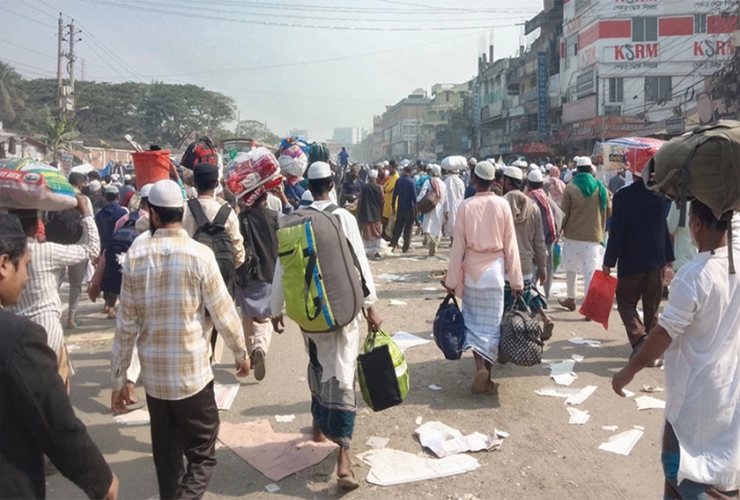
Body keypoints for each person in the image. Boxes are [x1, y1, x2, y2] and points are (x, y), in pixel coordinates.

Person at [111, 180, 250, 500]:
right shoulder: (199, 254)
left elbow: (125, 324)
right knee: (202, 454)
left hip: (156, 382)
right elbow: (223, 311)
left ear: (154, 215)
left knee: (167, 458)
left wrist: (120, 379)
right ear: (181, 212)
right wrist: (241, 353)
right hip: (193, 377)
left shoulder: (136, 253)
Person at [612, 200, 740, 499]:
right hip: (728, 389)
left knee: (683, 474)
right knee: (721, 471)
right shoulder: (734, 264)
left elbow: (663, 334)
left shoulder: (695, 275)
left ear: (695, 223)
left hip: (693, 397)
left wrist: (628, 371)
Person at [271, 162, 380, 491]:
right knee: (343, 373)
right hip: (343, 314)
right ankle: (344, 458)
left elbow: (283, 270)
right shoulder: (343, 217)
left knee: (318, 365)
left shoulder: (292, 221)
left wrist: (276, 309)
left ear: (308, 184)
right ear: (331, 184)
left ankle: (319, 425)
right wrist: (371, 307)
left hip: (309, 316)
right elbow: (360, 264)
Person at [0, 214, 119, 500]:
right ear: (4, 265)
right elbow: (57, 422)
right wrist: (101, 481)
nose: (27, 277)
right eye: (24, 267)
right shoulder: (18, 338)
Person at [445, 161, 522, 394]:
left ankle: (480, 367)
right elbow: (511, 246)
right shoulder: (502, 205)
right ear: (495, 182)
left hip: (473, 274)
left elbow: (457, 247)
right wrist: (517, 281)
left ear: (474, 180)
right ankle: (486, 375)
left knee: (474, 325)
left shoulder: (466, 206)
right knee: (492, 327)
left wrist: (450, 282)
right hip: (496, 274)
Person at [7, 196, 100, 390]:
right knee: (54, 400)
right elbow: (92, 249)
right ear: (36, 225)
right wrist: (86, 214)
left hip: (12, 339)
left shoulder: (6, 254)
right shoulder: (46, 251)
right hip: (48, 334)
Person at [603, 171, 674, 362]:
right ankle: (652, 353)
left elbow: (616, 232)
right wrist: (668, 258)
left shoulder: (622, 197)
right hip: (656, 261)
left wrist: (609, 261)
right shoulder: (661, 197)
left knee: (625, 301)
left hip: (631, 261)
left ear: (632, 174)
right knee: (652, 306)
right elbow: (663, 229)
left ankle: (640, 339)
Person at [502, 167, 554, 339]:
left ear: (506, 182)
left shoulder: (500, 205)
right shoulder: (533, 207)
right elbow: (539, 242)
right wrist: (542, 268)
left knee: (504, 310)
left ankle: (504, 345)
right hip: (525, 267)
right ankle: (519, 341)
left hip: (503, 266)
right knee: (521, 310)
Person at [236, 186, 280, 382]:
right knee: (264, 317)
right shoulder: (275, 217)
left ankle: (251, 352)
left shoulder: (241, 219)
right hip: (270, 273)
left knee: (247, 315)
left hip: (246, 275)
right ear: (266, 197)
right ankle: (260, 347)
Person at [558, 157, 611, 311]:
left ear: (577, 170)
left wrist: (559, 232)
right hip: (593, 238)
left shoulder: (570, 188)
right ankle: (588, 306)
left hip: (572, 236)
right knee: (590, 274)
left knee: (571, 270)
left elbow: (564, 213)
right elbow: (609, 211)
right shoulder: (601, 188)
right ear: (590, 170)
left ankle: (571, 299)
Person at [527, 168, 563, 299]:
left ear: (529, 185)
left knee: (531, 272)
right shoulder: (549, 201)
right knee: (546, 269)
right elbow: (559, 218)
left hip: (531, 243)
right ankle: (544, 297)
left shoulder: (529, 201)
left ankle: (533, 301)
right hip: (547, 242)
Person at [417, 164, 446, 257]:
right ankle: (435, 244)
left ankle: (431, 242)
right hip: (440, 208)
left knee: (427, 226)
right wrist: (447, 211)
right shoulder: (443, 184)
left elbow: (422, 194)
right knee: (437, 228)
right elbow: (446, 200)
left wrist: (418, 203)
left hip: (429, 207)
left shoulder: (428, 182)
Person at [390, 164, 418, 253]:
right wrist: (417, 209)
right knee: (408, 228)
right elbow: (414, 196)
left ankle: (393, 244)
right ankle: (405, 247)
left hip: (400, 207)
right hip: (409, 208)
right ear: (410, 172)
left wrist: (393, 206)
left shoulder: (398, 181)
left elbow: (395, 194)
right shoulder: (411, 182)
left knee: (398, 227)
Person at [357, 168, 384, 258]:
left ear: (368, 177)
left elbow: (360, 201)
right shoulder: (379, 187)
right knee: (377, 232)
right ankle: (376, 251)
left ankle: (366, 251)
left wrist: (358, 212)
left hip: (365, 213)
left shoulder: (364, 187)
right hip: (376, 213)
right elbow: (383, 200)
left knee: (366, 232)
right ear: (376, 177)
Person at [667, 201, 697, 273]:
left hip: (682, 262)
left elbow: (670, 227)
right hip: (700, 261)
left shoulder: (679, 200)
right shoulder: (704, 198)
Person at [95, 185, 127, 251]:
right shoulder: (123, 212)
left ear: (105, 197)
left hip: (103, 248)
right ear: (118, 196)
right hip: (119, 247)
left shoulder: (99, 214)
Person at [443, 160, 465, 244]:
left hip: (449, 204)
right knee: (457, 223)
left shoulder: (447, 181)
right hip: (459, 204)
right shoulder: (461, 182)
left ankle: (453, 241)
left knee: (450, 223)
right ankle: (455, 241)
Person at [381, 160, 399, 240]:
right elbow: (384, 186)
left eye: (390, 168)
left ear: (393, 167)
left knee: (391, 224)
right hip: (387, 203)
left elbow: (388, 188)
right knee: (386, 222)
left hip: (392, 204)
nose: (389, 169)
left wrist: (385, 188)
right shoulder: (391, 177)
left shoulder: (396, 177)